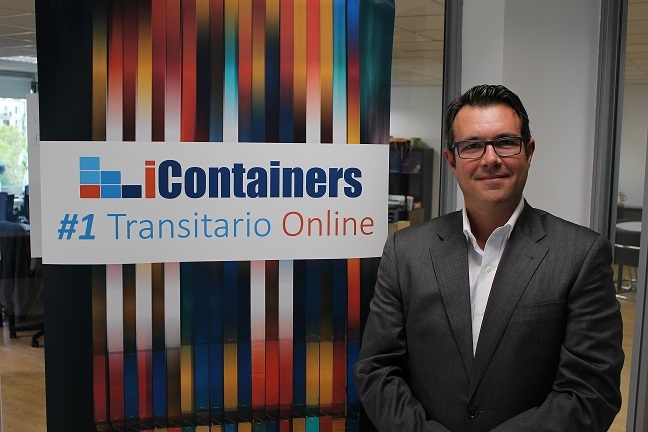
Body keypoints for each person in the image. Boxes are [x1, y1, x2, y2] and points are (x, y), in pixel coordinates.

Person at [353, 84, 623, 432]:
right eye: (472, 146)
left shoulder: (581, 254)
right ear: (451, 160)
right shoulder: (406, 251)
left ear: (529, 152)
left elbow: (591, 392)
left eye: (506, 142)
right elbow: (377, 369)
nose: (491, 158)